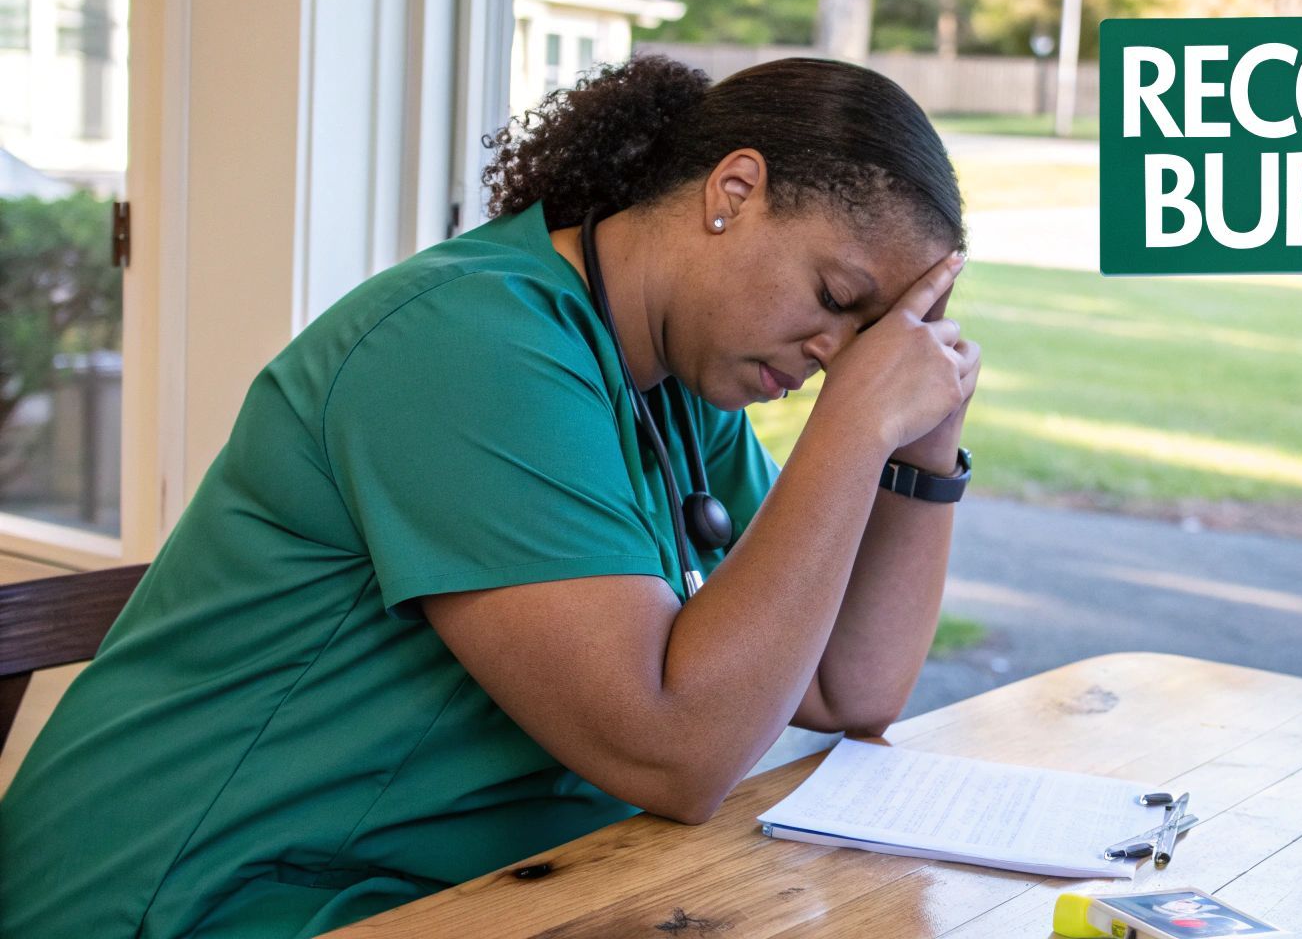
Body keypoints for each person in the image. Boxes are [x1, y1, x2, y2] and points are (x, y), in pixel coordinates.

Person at [0, 55, 980, 938]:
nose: (837, 354)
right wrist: (852, 428)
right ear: (733, 191)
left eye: (874, 336)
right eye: (836, 297)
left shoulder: (679, 385)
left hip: (467, 892)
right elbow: (678, 754)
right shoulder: (466, 343)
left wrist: (925, 443)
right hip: (203, 895)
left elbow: (847, 688)